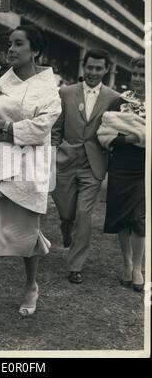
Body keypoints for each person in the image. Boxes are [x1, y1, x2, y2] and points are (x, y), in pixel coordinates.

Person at [0, 25, 61, 337]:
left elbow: (40, 129)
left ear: (35, 51)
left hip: (29, 172)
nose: (11, 48)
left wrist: (3, 128)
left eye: (19, 44)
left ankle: (31, 285)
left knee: (27, 236)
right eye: (10, 43)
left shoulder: (48, 88)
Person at [51, 48, 121, 284]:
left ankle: (75, 266)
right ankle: (65, 223)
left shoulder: (113, 98)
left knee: (84, 213)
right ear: (84, 66)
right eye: (89, 67)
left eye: (98, 68)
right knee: (67, 211)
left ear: (106, 69)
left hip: (94, 164)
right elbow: (56, 129)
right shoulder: (65, 92)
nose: (93, 72)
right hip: (65, 161)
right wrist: (52, 153)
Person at [98, 56, 146, 292]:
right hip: (121, 165)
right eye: (135, 74)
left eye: (143, 74)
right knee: (123, 218)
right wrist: (128, 138)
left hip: (145, 168)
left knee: (139, 218)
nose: (138, 78)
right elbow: (104, 132)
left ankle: (138, 267)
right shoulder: (120, 102)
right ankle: (126, 263)